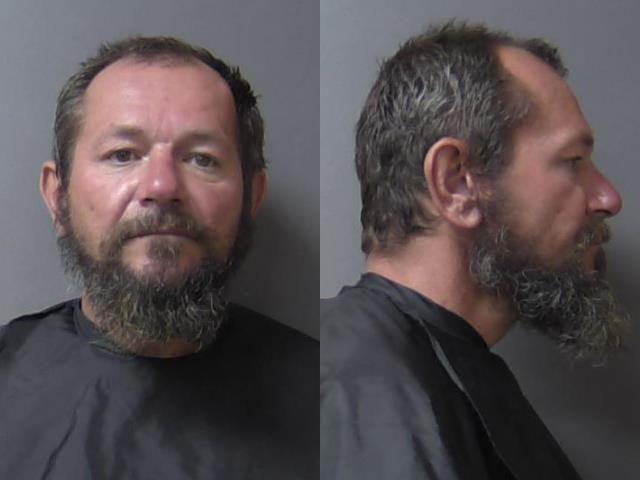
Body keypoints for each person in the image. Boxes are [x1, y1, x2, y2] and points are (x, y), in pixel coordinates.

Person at [321, 21, 628, 480]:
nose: (608, 198)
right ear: (457, 183)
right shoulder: (368, 392)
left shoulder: (423, 366)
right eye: (573, 161)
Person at [0, 36, 317, 479]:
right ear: (58, 197)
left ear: (251, 198)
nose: (162, 187)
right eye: (122, 155)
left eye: (201, 159)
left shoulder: (332, 400)